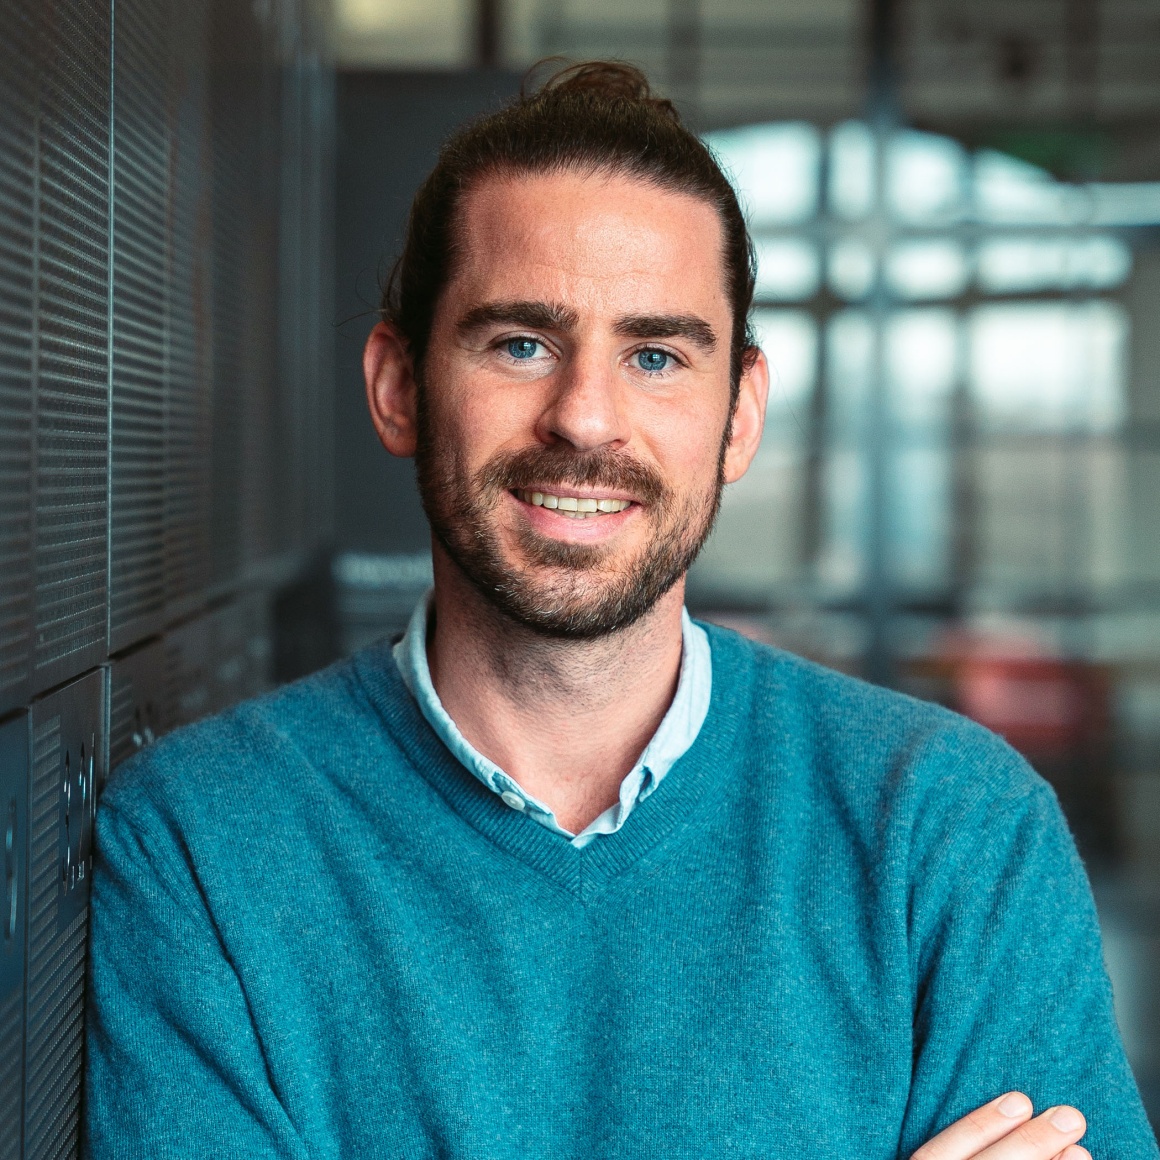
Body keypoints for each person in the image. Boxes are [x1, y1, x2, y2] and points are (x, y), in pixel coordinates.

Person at [85, 62, 1158, 1159]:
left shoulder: (947, 826)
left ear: (738, 415)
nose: (585, 417)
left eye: (654, 354)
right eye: (519, 344)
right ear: (398, 385)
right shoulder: (202, 840)